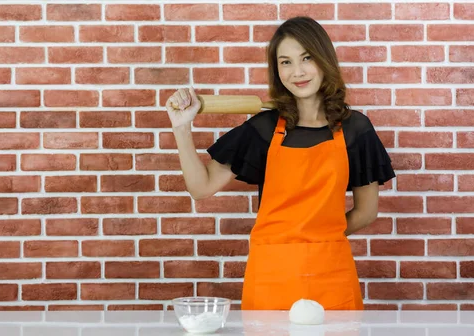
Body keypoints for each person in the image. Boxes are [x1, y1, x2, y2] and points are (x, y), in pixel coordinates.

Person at [165, 16, 396, 310]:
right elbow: (201, 187)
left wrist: (319, 240)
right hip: (270, 276)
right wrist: (181, 128)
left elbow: (366, 211)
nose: (297, 71)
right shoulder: (264, 128)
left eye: (306, 58)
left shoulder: (355, 129)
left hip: (332, 275)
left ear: (325, 59)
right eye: (285, 62)